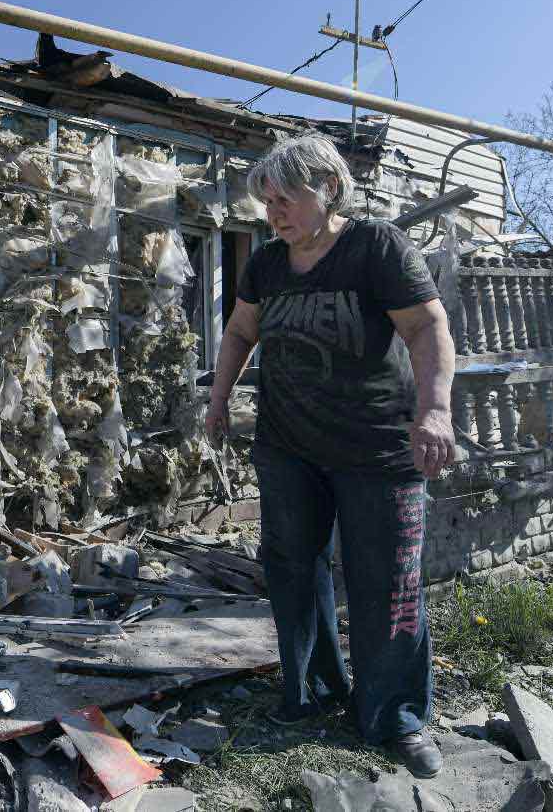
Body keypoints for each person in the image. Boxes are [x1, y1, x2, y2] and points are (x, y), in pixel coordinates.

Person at [205, 134, 456, 778]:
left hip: (377, 449)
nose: (276, 210)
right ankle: (312, 692)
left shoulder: (376, 247)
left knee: (388, 583)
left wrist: (435, 410)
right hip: (287, 447)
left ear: (330, 191)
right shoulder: (265, 263)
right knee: (292, 571)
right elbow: (239, 332)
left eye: (289, 197)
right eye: (268, 199)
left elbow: (427, 327)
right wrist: (217, 400)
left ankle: (395, 716)